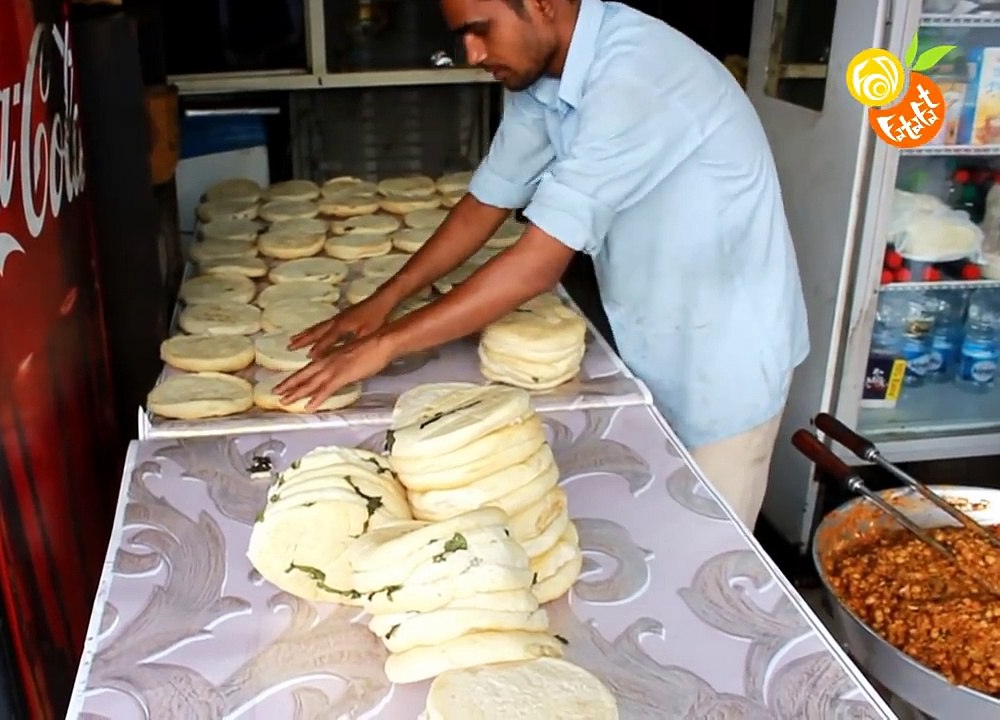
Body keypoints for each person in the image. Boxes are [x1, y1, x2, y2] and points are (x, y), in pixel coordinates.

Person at [274, 0, 809, 529]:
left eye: (481, 31)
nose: (473, 53)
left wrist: (384, 345)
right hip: (654, 332)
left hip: (724, 357)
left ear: (540, 5)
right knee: (651, 522)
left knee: (705, 546)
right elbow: (488, 200)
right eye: (462, 36)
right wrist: (385, 300)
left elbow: (536, 265)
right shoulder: (545, 74)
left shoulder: (636, 77)